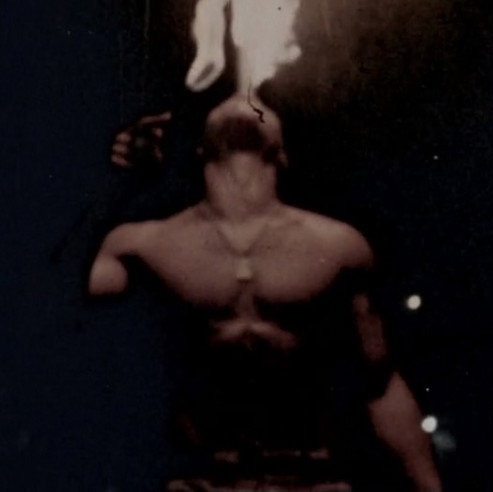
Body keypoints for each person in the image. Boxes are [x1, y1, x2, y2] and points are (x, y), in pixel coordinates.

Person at [91, 96, 442, 491]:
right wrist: (117, 182)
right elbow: (56, 294)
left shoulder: (339, 247)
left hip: (309, 479)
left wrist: (430, 486)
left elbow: (379, 382)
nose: (245, 100)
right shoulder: (142, 245)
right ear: (200, 149)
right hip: (200, 478)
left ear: (282, 154)